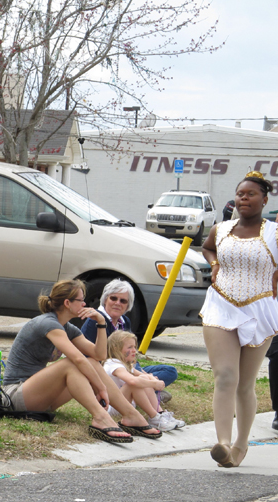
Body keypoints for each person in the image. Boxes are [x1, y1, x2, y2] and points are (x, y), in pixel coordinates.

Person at [1, 279, 163, 444]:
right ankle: (100, 417)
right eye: (81, 300)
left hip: (40, 397)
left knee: (91, 362)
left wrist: (100, 322)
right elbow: (77, 358)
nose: (85, 303)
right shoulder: (47, 323)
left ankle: (131, 416)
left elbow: (99, 355)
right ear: (67, 303)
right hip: (16, 396)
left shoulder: (68, 328)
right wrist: (100, 388)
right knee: (72, 363)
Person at [200, 171, 278, 468]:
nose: (244, 199)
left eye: (251, 194)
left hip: (260, 308)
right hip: (221, 304)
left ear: (264, 199)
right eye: (240, 194)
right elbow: (207, 248)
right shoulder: (221, 229)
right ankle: (222, 442)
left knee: (245, 383)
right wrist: (215, 263)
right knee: (225, 376)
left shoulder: (274, 231)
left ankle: (240, 447)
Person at [81, 279, 179, 403]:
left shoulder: (125, 321)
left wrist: (142, 374)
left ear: (128, 305)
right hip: (108, 372)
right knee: (139, 379)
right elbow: (94, 359)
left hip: (128, 369)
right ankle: (146, 392)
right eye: (113, 298)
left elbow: (130, 355)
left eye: (123, 301)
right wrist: (143, 377)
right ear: (105, 299)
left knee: (170, 371)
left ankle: (145, 390)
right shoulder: (95, 321)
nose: (117, 303)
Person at [103, 331, 184, 431]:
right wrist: (154, 383)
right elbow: (132, 381)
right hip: (113, 407)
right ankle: (154, 417)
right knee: (134, 383)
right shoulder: (113, 364)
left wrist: (152, 379)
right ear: (116, 348)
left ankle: (160, 414)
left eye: (134, 347)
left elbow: (144, 375)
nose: (134, 350)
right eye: (129, 347)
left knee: (143, 379)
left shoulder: (124, 364)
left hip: (125, 404)